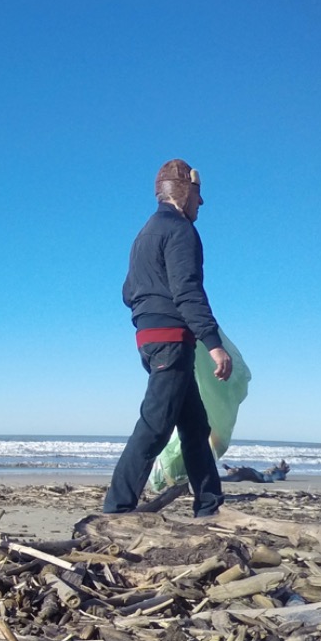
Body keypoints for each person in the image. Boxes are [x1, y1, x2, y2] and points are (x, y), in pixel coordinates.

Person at [103, 160, 233, 519]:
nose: (201, 204)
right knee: (156, 425)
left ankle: (209, 506)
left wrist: (148, 314)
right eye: (198, 195)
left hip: (152, 338)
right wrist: (214, 343)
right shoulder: (179, 230)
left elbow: (129, 291)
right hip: (171, 339)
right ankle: (116, 510)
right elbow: (188, 290)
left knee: (194, 427)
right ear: (183, 192)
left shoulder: (145, 233)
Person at [222, 459, 290, 483]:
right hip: (259, 475)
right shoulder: (279, 473)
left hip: (260, 476)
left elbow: (269, 478)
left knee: (246, 472)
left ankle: (233, 471)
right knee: (245, 473)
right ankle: (233, 471)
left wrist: (270, 472)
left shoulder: (280, 473)